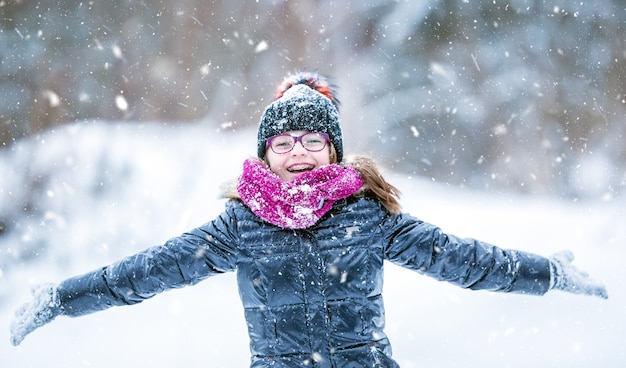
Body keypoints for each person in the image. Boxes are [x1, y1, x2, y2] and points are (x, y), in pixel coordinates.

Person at [10, 71, 608, 367]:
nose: (298, 151)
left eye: (312, 140)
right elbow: (148, 272)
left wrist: (545, 274)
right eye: (284, 141)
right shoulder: (239, 225)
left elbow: (467, 261)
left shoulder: (369, 217)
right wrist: (64, 297)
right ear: (266, 153)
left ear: (334, 149)